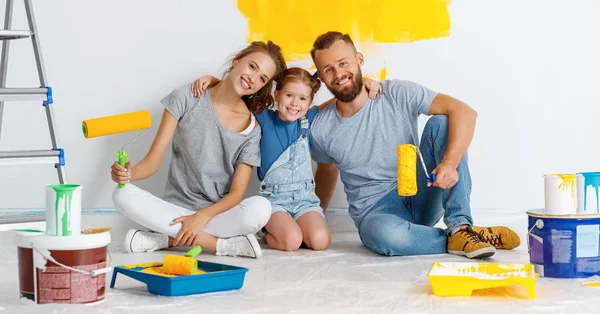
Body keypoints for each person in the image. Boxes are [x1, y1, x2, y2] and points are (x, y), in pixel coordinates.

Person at [308, 31, 521, 259]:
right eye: (329, 69)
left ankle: (459, 225)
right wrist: (317, 219)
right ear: (320, 76)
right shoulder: (320, 126)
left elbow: (465, 112)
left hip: (421, 192)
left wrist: (449, 164)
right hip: (377, 213)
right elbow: (326, 170)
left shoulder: (395, 93)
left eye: (343, 63)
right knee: (385, 236)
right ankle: (462, 237)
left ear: (359, 60)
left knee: (442, 122)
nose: (339, 74)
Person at [110, 41, 287, 259]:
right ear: (237, 60)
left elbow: (236, 195)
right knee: (122, 194)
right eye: (252, 66)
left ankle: (167, 239)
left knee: (261, 208)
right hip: (173, 210)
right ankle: (221, 246)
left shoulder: (252, 129)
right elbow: (152, 162)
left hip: (215, 216)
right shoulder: (186, 97)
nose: (253, 78)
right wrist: (128, 174)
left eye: (262, 78)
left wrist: (201, 217)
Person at [191, 67, 382, 252]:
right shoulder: (263, 118)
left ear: (310, 102)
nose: (294, 103)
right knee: (291, 241)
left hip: (305, 200)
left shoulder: (309, 118)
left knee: (320, 241)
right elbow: (236, 94)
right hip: (274, 201)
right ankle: (265, 232)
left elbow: (341, 100)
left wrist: (362, 82)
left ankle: (293, 228)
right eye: (289, 95)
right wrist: (214, 80)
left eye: (302, 98)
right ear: (276, 95)